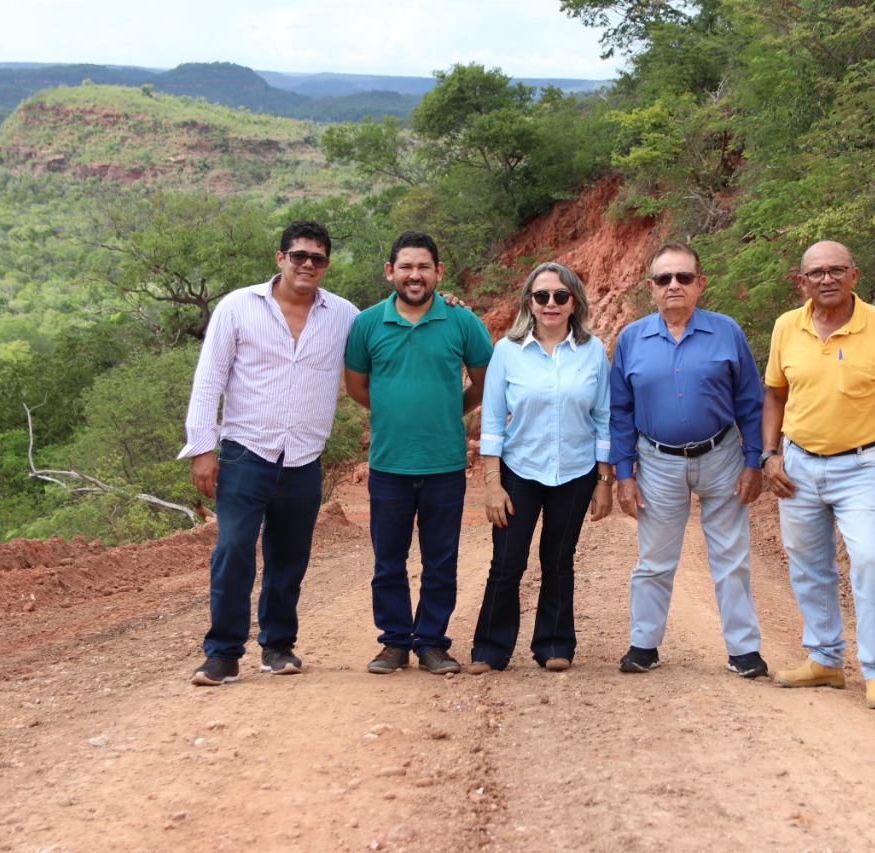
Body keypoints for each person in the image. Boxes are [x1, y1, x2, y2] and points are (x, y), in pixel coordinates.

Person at [180, 220, 359, 686]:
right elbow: (209, 379)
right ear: (280, 259)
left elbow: (390, 334)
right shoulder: (239, 307)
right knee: (234, 549)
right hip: (245, 452)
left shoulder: (344, 315)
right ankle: (222, 653)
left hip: (304, 457)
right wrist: (202, 448)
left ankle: (278, 646)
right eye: (298, 255)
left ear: (326, 265)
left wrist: (446, 305)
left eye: (317, 258)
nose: (307, 265)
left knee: (290, 556)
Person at [761, 240, 875, 711]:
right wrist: (770, 455)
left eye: (836, 270)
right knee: (809, 566)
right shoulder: (787, 326)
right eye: (816, 272)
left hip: (861, 465)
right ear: (801, 280)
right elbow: (774, 396)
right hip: (798, 464)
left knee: (869, 559)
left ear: (855, 274)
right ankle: (826, 660)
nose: (826, 279)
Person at [610, 243, 770, 678]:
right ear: (651, 288)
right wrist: (624, 473)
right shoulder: (631, 339)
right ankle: (644, 645)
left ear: (700, 283)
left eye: (683, 277)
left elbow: (750, 401)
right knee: (654, 559)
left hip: (722, 457)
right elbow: (619, 411)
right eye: (664, 279)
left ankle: (743, 650)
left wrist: (753, 461)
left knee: (731, 556)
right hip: (657, 461)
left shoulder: (727, 332)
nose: (674, 286)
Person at [344, 231, 494, 676]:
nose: (415, 275)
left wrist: (452, 411)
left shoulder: (462, 322)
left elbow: (484, 382)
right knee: (387, 561)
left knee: (440, 562)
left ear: (438, 272)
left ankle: (431, 643)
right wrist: (394, 411)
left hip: (445, 465)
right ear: (390, 271)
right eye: (406, 266)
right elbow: (357, 387)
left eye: (424, 267)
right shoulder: (367, 324)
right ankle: (394, 643)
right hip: (389, 465)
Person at [463, 263, 614, 675]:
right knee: (507, 562)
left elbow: (604, 417)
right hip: (519, 472)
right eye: (541, 295)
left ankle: (554, 645)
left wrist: (604, 481)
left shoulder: (593, 351)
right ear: (529, 301)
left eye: (560, 296)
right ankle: (490, 650)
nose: (551, 303)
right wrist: (493, 484)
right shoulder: (507, 351)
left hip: (577, 471)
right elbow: (492, 421)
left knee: (559, 560)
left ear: (574, 302)